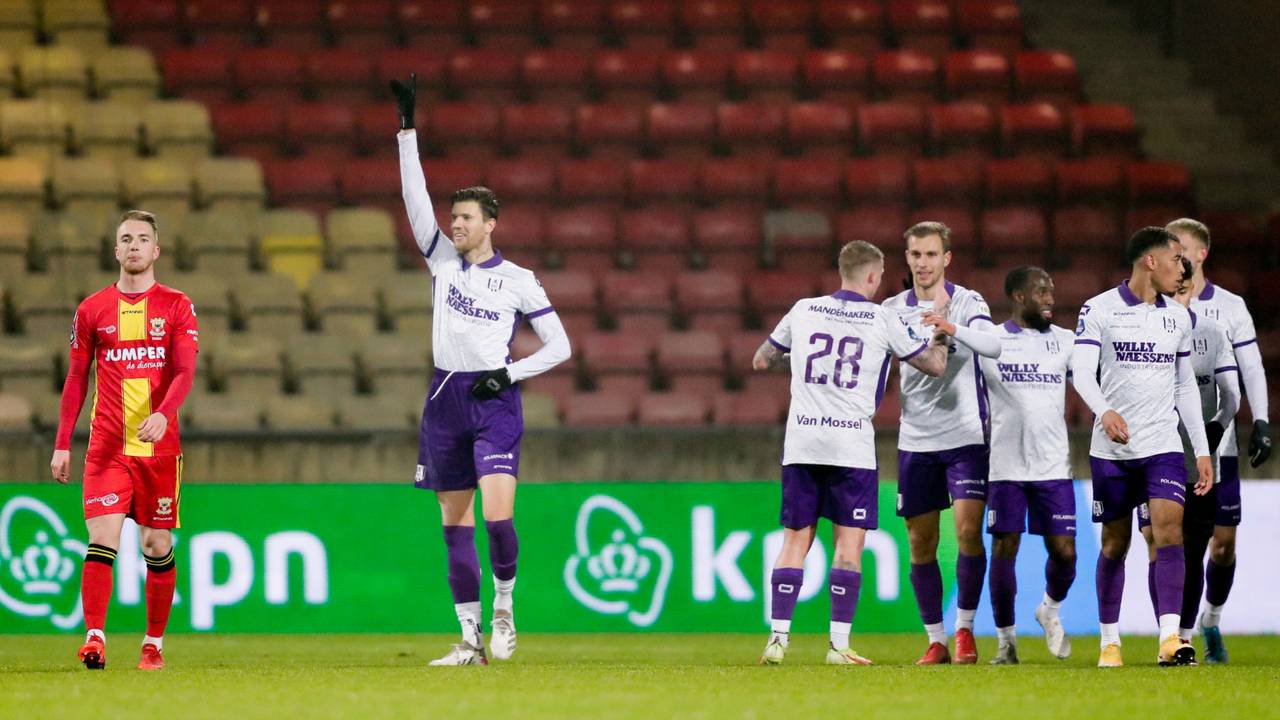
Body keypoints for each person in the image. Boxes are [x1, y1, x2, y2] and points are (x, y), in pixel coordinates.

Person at [393, 74, 572, 666]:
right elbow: (413, 198)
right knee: (454, 523)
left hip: (494, 399)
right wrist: (407, 131)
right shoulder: (442, 261)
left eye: (466, 218)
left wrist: (512, 374)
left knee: (498, 519)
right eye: (454, 217)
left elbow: (560, 346)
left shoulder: (518, 280)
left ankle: (504, 607)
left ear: (491, 223)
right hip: (445, 395)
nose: (456, 225)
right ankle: (470, 640)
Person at [753, 240, 948, 666]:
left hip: (802, 440)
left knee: (794, 541)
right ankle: (838, 646)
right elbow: (933, 366)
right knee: (847, 547)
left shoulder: (804, 309)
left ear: (842, 271)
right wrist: (943, 333)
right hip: (850, 447)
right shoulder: (882, 317)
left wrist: (808, 367)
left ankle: (777, 639)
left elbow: (762, 360)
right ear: (874, 277)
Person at [50, 210, 199, 671]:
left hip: (158, 447)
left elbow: (185, 371)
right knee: (103, 537)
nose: (134, 245)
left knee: (156, 545)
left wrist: (163, 413)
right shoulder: (91, 309)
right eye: (125, 239)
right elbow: (76, 379)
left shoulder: (177, 305)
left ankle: (153, 643)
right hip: (108, 446)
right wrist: (62, 443)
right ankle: (94, 638)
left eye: (142, 239)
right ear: (116, 251)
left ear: (156, 251)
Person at [1070, 226, 1213, 668]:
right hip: (1112, 450)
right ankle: (1109, 641)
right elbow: (1080, 371)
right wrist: (1104, 411)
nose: (1182, 267)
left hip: (1162, 445)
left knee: (1170, 531)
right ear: (1150, 261)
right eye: (1175, 258)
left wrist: (1201, 449)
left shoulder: (1178, 316)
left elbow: (1184, 383)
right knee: (1115, 543)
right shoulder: (1099, 310)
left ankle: (1170, 637)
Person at [882, 222, 1002, 665]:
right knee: (920, 543)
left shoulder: (969, 302)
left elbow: (994, 346)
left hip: (966, 437)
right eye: (915, 255)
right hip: (917, 439)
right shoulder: (892, 309)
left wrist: (953, 326)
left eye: (931, 254)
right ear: (908, 258)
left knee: (969, 532)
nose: (923, 263)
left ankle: (966, 629)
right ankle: (936, 640)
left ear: (946, 258)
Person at [1166, 218, 1268, 663]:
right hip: (1167, 448)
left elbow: (1251, 368)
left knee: (1221, 544)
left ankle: (1210, 618)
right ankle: (1175, 632)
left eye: (1183, 246)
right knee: (1172, 540)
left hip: (1218, 447)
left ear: (1202, 252)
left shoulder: (1229, 307)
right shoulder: (1158, 306)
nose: (1176, 253)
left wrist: (1261, 419)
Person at [1136, 257, 1238, 658]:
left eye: (1182, 292)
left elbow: (1231, 394)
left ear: (1191, 290)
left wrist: (1212, 432)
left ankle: (1184, 636)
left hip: (1197, 459)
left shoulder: (1212, 333)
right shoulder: (1141, 329)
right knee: (1156, 542)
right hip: (1152, 454)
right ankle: (1167, 633)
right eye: (1170, 293)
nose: (1176, 301)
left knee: (1193, 548)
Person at [979, 266, 1078, 664]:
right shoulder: (992, 341)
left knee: (1065, 552)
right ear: (1019, 297)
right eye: (1041, 291)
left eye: (1052, 290)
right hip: (1006, 467)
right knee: (1004, 547)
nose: (1050, 298)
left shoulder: (1067, 342)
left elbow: (1090, 380)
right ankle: (1007, 642)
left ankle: (1049, 609)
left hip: (1054, 466)